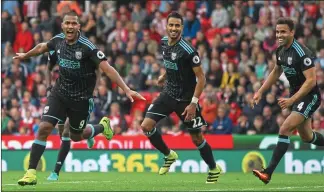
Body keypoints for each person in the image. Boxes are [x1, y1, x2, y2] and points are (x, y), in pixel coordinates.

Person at [14, 11, 145, 186]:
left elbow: (107, 68)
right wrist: (25, 56)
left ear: (78, 26)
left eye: (73, 24)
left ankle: (101, 127)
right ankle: (31, 172)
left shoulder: (87, 47)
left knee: (75, 136)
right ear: (63, 25)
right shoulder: (58, 40)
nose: (70, 26)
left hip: (81, 99)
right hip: (59, 93)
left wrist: (127, 89)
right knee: (44, 127)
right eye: (67, 23)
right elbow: (42, 47)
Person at [140, 12, 222, 184]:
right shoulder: (163, 43)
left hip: (186, 100)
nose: (174, 29)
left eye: (177, 26)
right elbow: (172, 64)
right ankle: (169, 155)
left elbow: (201, 78)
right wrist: (165, 75)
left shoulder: (189, 51)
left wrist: (193, 103)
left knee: (197, 138)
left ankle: (214, 168)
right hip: (168, 94)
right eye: (171, 25)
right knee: (146, 125)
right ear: (166, 26)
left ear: (182, 28)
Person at [251, 17, 324, 184]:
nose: (279, 35)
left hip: (309, 96)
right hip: (297, 97)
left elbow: (311, 81)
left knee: (284, 129)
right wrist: (260, 91)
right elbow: (276, 72)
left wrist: (292, 100)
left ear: (292, 32)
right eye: (277, 31)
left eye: (283, 31)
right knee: (307, 137)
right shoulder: (280, 51)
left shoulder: (302, 53)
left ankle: (268, 172)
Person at [44, 50, 99, 181]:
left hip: (80, 97)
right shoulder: (57, 47)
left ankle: (55, 172)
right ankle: (91, 132)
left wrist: (95, 88)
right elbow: (48, 67)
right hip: (62, 95)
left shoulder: (84, 51)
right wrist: (48, 88)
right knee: (65, 133)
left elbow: (99, 69)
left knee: (66, 132)